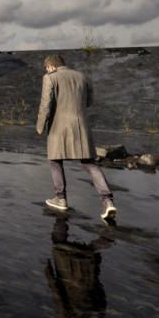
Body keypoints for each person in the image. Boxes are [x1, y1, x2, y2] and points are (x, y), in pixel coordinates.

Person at [36, 54, 116, 220]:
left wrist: (40, 126)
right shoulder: (83, 77)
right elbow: (89, 102)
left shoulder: (50, 78)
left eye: (47, 68)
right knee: (89, 164)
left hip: (59, 126)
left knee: (55, 161)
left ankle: (60, 198)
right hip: (81, 127)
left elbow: (46, 104)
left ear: (50, 67)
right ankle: (108, 202)